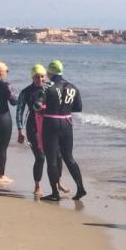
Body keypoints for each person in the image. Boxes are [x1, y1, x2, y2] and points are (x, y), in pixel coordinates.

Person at [40, 60, 87, 202]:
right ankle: (80, 188)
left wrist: (43, 109)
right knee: (69, 157)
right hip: (67, 124)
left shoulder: (48, 86)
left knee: (52, 160)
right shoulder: (73, 87)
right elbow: (78, 108)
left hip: (51, 123)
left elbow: (37, 105)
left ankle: (55, 193)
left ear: (49, 73)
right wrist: (64, 108)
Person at [16, 63, 65, 198]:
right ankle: (37, 185)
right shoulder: (26, 92)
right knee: (40, 157)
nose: (40, 79)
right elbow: (19, 111)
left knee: (58, 156)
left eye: (42, 76)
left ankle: (58, 182)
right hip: (33, 128)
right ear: (32, 77)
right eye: (37, 77)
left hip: (50, 127)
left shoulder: (51, 89)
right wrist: (20, 130)